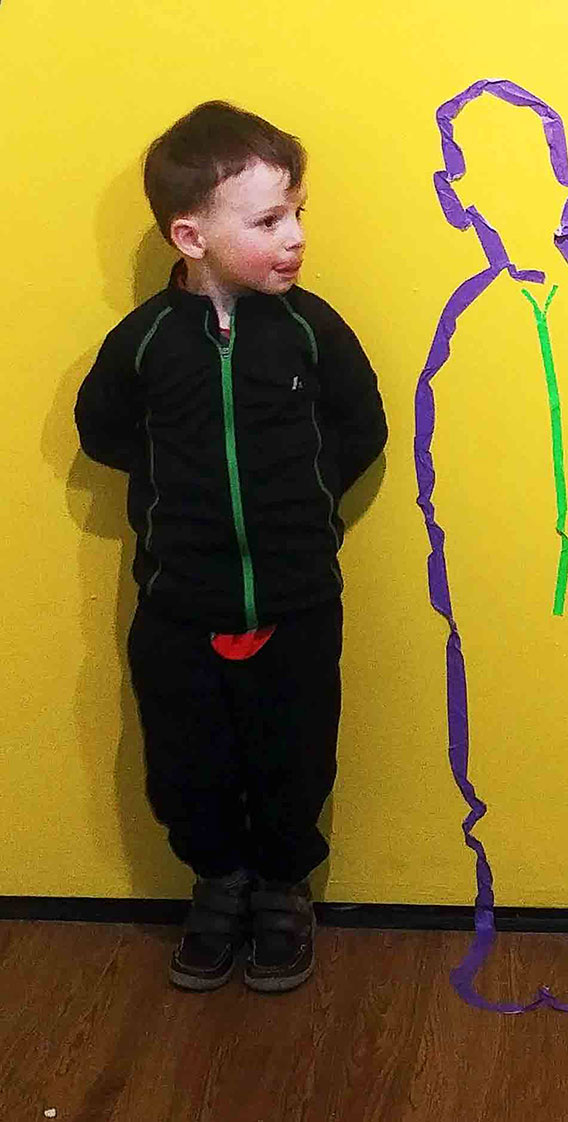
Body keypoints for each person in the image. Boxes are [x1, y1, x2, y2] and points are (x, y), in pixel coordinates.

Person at [75, 100, 388, 993]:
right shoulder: (142, 344)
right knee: (188, 763)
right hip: (180, 604)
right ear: (191, 236)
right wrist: (182, 500)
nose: (295, 236)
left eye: (297, 213)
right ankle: (218, 884)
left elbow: (362, 426)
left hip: (297, 599)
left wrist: (307, 505)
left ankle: (283, 890)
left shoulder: (311, 330)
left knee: (295, 757)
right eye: (268, 220)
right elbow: (104, 432)